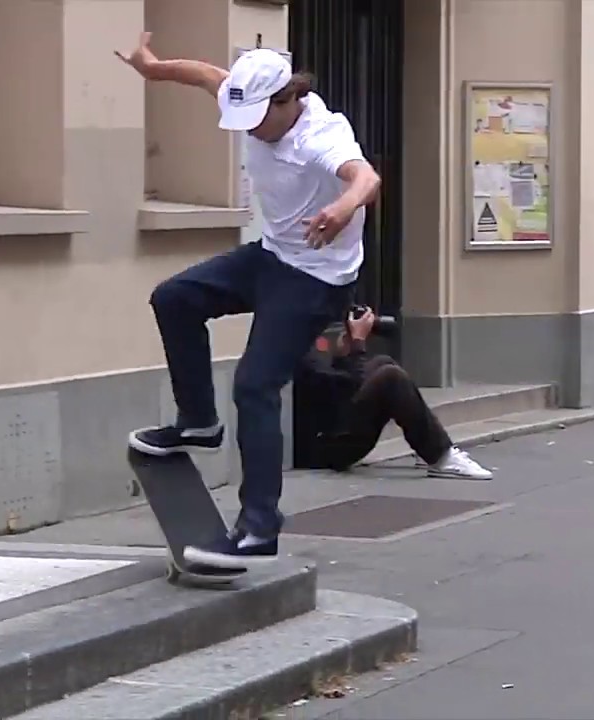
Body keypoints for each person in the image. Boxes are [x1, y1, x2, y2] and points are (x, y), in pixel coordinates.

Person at [115, 34, 382, 570]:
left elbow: (365, 177)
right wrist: (153, 68)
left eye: (260, 121)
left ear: (288, 100)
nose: (252, 132)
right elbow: (205, 74)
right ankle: (197, 422)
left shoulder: (321, 135)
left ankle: (259, 527)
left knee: (255, 385)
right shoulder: (245, 96)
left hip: (316, 277)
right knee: (174, 298)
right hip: (271, 257)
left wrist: (342, 209)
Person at [300, 306, 494, 480]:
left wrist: (344, 354)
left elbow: (335, 388)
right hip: (323, 449)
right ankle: (441, 457)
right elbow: (346, 387)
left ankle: (428, 445)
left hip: (330, 428)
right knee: (391, 378)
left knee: (384, 362)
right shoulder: (298, 346)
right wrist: (357, 344)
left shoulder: (306, 337)